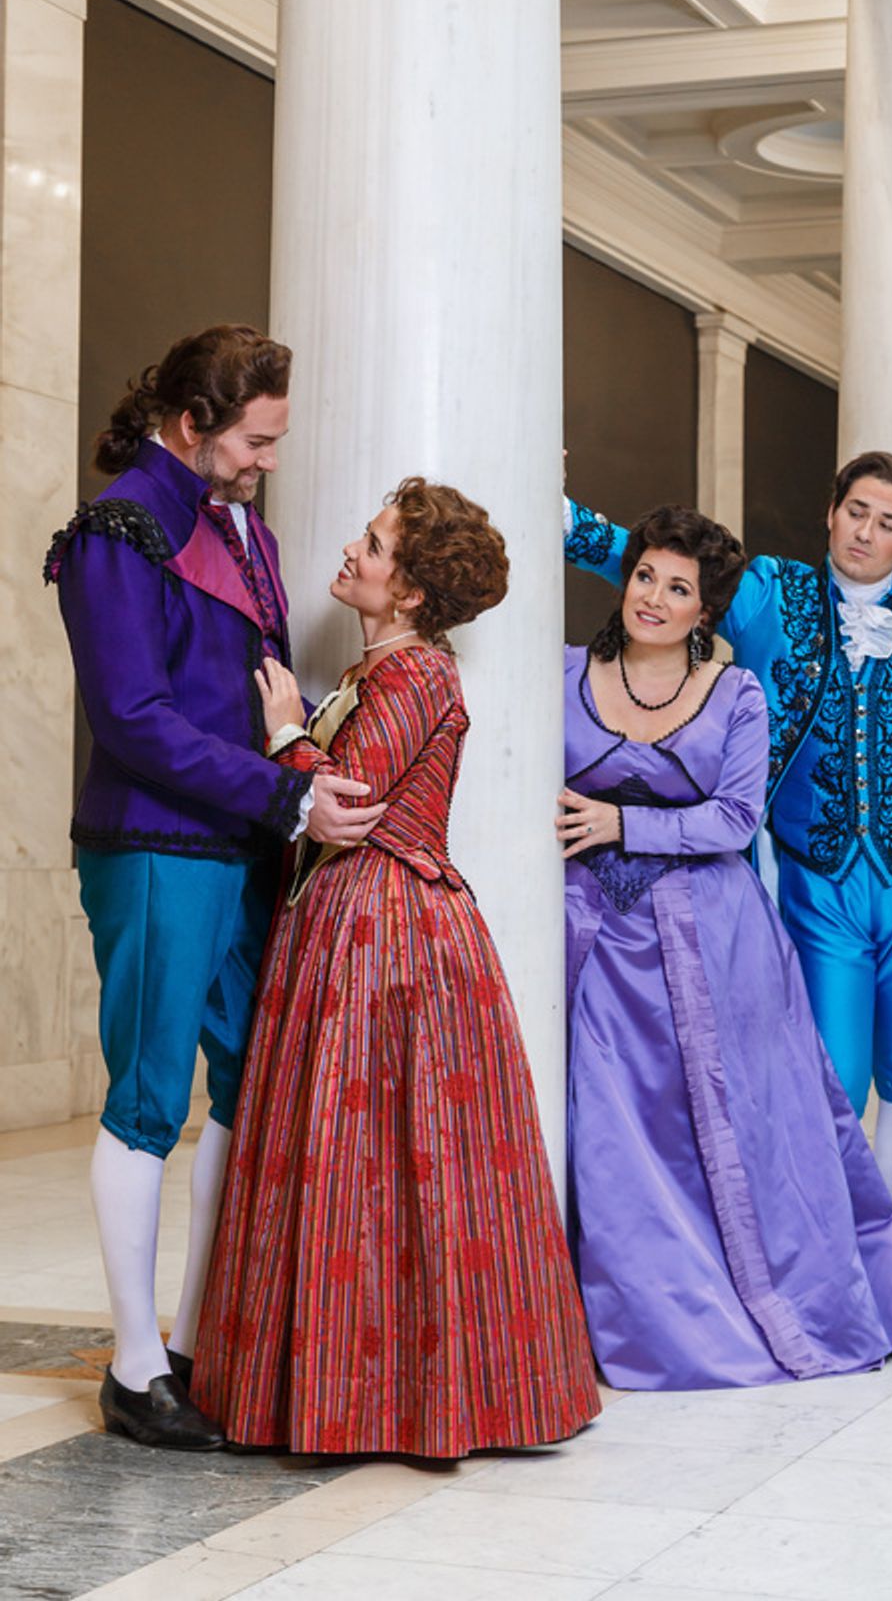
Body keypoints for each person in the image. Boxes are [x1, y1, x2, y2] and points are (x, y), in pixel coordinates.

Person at [193, 478, 600, 1457]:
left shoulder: (414, 674)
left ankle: (385, 1398)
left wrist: (287, 732)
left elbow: (353, 802)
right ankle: (363, 1390)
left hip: (385, 930)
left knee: (372, 1158)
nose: (354, 552)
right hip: (351, 922)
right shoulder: (384, 671)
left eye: (373, 545)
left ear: (409, 590)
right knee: (372, 1159)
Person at [44, 325, 384, 1451]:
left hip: (241, 841)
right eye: (256, 437)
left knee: (245, 1083)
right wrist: (285, 797)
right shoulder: (116, 534)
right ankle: (136, 1370)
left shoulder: (246, 529)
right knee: (149, 1097)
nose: (270, 458)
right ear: (192, 423)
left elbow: (257, 693)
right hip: (152, 845)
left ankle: (199, 1339)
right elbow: (132, 722)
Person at [556, 504, 892, 1389]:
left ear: (708, 608)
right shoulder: (558, 675)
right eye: (646, 577)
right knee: (602, 1130)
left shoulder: (738, 693)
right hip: (584, 936)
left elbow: (735, 818)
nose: (656, 598)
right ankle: (590, 1312)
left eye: (681, 588)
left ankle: (729, 1302)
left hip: (712, 938)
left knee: (725, 1121)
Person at [564, 455, 892, 1229]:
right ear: (831, 512)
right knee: (833, 1073)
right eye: (856, 510)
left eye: (888, 523)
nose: (866, 531)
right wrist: (559, 517)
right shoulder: (768, 594)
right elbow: (654, 565)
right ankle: (839, 1248)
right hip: (814, 878)